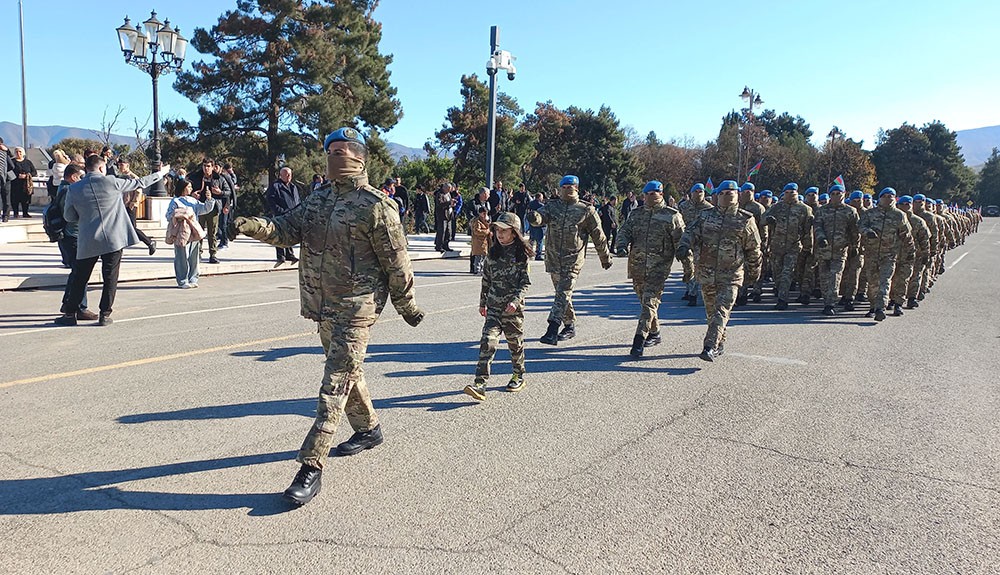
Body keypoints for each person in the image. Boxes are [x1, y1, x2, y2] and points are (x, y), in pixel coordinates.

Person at [233, 127, 424, 506]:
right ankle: (369, 429)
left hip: (357, 308)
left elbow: (397, 264)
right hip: (322, 305)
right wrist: (251, 226)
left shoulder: (377, 206)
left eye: (344, 151)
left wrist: (407, 306)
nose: (336, 156)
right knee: (348, 374)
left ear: (361, 158)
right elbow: (286, 230)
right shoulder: (318, 200)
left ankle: (311, 465)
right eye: (330, 150)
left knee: (333, 383)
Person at [55, 155, 170, 326]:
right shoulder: (112, 182)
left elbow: (69, 216)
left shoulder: (74, 189)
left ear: (86, 168)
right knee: (110, 277)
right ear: (101, 168)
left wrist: (84, 216)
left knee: (80, 277)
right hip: (113, 239)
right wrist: (160, 173)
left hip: (88, 239)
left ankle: (71, 314)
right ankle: (104, 314)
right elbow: (141, 182)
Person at [676, 180, 761, 361]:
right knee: (711, 312)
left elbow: (754, 250)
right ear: (717, 196)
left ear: (737, 195)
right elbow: (691, 232)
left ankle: (709, 346)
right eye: (722, 194)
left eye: (730, 193)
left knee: (721, 309)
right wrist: (684, 246)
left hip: (731, 275)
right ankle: (719, 342)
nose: (726, 197)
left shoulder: (745, 219)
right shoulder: (706, 216)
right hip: (707, 273)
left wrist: (754, 274)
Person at [527, 175, 612, 345]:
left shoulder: (586, 210)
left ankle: (552, 328)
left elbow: (598, 236)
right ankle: (569, 324)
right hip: (553, 258)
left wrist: (605, 258)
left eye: (570, 187)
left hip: (573, 259)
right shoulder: (552, 207)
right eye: (564, 187)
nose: (567, 190)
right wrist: (533, 217)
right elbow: (540, 219)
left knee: (563, 293)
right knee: (562, 294)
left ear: (577, 188)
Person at [464, 212, 532, 401]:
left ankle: (518, 375)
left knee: (514, 344)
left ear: (514, 232)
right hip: (493, 307)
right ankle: (480, 383)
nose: (499, 234)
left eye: (504, 231)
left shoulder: (521, 256)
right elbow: (486, 280)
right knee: (487, 341)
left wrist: (515, 301)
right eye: (497, 230)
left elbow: (525, 284)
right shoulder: (492, 253)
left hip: (512, 310)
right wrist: (482, 302)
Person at [615, 181, 684, 358]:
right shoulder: (636, 214)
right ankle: (655, 332)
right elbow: (625, 232)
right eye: (649, 193)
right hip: (637, 266)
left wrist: (688, 266)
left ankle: (639, 340)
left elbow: (681, 243)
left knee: (649, 302)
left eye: (656, 193)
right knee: (645, 301)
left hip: (659, 268)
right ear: (643, 195)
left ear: (661, 194)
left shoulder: (672, 216)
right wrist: (621, 245)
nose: (652, 196)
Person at [858, 187, 913, 322]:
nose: (888, 199)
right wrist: (867, 231)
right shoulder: (870, 214)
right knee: (872, 282)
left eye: (891, 196)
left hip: (889, 255)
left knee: (885, 281)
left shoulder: (899, 215)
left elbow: (906, 235)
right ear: (880, 198)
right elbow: (860, 226)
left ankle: (880, 308)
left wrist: (910, 252)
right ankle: (873, 305)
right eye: (886, 196)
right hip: (871, 254)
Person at [53, 164, 98, 320]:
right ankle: (80, 307)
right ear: (73, 177)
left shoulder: (63, 188)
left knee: (76, 273)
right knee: (81, 274)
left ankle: (68, 303)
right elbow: (71, 215)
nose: (82, 180)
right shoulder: (69, 191)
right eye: (80, 177)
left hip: (69, 236)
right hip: (73, 236)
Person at [763, 183, 813, 310]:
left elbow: (808, 230)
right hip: (776, 246)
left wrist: (808, 246)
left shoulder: (804, 209)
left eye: (792, 193)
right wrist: (769, 220)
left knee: (787, 273)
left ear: (797, 193)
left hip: (793, 246)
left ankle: (782, 300)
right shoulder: (777, 207)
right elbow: (763, 220)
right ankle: (781, 292)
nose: (790, 195)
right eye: (787, 193)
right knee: (777, 274)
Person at [813, 184, 860, 315]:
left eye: (838, 194)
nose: (835, 196)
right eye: (833, 194)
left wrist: (855, 246)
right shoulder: (822, 210)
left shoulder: (850, 211)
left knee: (835, 276)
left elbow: (854, 230)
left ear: (843, 195)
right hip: (824, 249)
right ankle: (826, 300)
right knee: (823, 278)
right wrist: (821, 238)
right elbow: (817, 225)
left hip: (840, 250)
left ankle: (830, 304)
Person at [165, 178, 216, 288]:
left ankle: (193, 278)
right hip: (180, 233)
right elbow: (169, 215)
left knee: (194, 256)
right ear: (183, 188)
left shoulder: (193, 201)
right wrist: (180, 215)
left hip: (193, 231)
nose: (191, 189)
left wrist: (209, 199)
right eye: (189, 187)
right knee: (181, 256)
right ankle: (182, 281)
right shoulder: (175, 201)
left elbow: (204, 209)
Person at [888, 195, 929, 316]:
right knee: (892, 278)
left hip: (911, 255)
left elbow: (924, 239)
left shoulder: (918, 221)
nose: (906, 206)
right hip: (893, 254)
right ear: (898, 205)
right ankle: (892, 299)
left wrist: (926, 253)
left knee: (907, 279)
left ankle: (904, 301)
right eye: (903, 204)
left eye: (908, 204)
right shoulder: (893, 219)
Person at [189, 158, 231, 264]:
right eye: (204, 166)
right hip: (200, 207)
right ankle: (197, 253)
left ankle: (213, 254)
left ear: (213, 167)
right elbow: (187, 188)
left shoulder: (219, 178)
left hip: (214, 208)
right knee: (198, 231)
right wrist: (192, 194)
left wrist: (220, 192)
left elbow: (228, 191)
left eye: (208, 166)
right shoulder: (196, 177)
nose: (206, 168)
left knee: (212, 233)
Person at [677, 183, 712, 306]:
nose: (698, 194)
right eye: (696, 191)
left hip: (701, 243)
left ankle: (693, 294)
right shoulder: (684, 206)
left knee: (696, 267)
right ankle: (689, 288)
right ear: (691, 193)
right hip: (686, 240)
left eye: (701, 191)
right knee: (687, 267)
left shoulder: (708, 208)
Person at [116, 158, 157, 256]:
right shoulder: (119, 177)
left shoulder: (133, 177)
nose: (120, 167)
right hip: (121, 205)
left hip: (130, 205)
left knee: (132, 228)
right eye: (119, 165)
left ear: (127, 165)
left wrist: (133, 203)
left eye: (122, 165)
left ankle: (149, 242)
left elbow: (139, 191)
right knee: (120, 227)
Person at [264, 166, 301, 264]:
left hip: (292, 215)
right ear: (281, 175)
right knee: (280, 235)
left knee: (289, 235)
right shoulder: (275, 186)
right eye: (286, 174)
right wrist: (279, 210)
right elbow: (271, 200)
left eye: (290, 174)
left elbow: (297, 200)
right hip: (281, 215)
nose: (289, 176)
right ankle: (281, 255)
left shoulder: (293, 187)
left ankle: (290, 254)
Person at [11, 147, 37, 218]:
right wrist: (17, 175)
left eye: (20, 152)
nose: (18, 153)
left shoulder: (28, 162)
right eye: (16, 152)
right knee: (15, 200)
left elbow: (34, 172)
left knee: (26, 199)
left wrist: (27, 176)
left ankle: (25, 213)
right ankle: (15, 213)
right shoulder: (12, 162)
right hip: (15, 185)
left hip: (26, 185)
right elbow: (9, 171)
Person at [470, 206, 490, 274]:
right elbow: (476, 231)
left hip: (484, 241)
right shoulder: (477, 221)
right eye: (483, 213)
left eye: (486, 213)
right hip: (478, 241)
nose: (485, 215)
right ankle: (477, 270)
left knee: (484, 257)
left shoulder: (485, 220)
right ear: (480, 213)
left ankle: (482, 269)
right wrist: (486, 231)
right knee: (478, 257)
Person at [434, 182, 454, 252]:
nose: (449, 190)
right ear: (444, 188)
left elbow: (449, 203)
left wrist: (452, 204)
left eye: (450, 189)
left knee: (449, 232)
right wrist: (449, 202)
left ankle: (446, 244)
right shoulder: (439, 194)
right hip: (442, 215)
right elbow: (439, 204)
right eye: (448, 188)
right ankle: (439, 246)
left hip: (449, 215)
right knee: (441, 231)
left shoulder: (448, 194)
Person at [526, 192, 545, 261]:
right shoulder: (541, 206)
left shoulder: (530, 204)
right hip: (539, 225)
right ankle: (538, 255)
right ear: (539, 197)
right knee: (539, 240)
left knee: (531, 239)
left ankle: (529, 253)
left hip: (531, 224)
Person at [0, 138, 14, 221]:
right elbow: (12, 165)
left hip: (5, 177)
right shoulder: (5, 153)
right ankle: (5, 216)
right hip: (6, 177)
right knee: (6, 197)